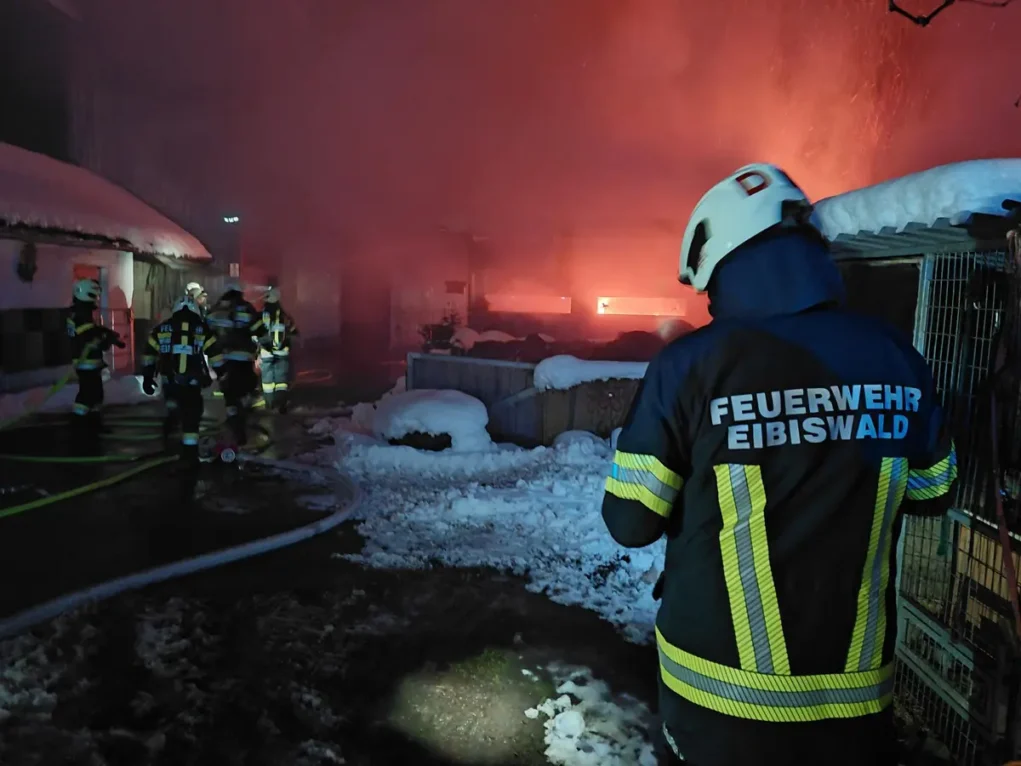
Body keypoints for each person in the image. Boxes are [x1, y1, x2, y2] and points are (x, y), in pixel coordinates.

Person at [600, 164, 958, 766]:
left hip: (718, 698)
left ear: (722, 263)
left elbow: (629, 521)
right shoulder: (898, 356)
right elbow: (934, 492)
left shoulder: (689, 365)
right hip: (855, 697)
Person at [141, 294, 225, 496]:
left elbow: (149, 352)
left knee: (173, 410)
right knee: (191, 418)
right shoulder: (201, 328)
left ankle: (169, 444)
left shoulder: (162, 328)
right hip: (192, 384)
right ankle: (189, 454)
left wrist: (147, 377)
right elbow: (215, 352)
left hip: (170, 383)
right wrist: (222, 373)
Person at [66, 278, 125, 448]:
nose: (96, 299)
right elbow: (89, 337)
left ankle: (93, 426)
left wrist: (109, 334)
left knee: (96, 395)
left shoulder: (81, 312)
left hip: (90, 362)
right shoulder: (80, 315)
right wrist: (106, 339)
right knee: (87, 395)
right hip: (86, 362)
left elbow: (93, 331)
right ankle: (79, 427)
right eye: (95, 295)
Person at [207, 281, 266, 445]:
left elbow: (206, 334)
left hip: (222, 361)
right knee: (245, 390)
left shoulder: (215, 311)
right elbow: (260, 330)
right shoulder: (246, 308)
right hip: (243, 360)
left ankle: (234, 417)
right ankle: (240, 419)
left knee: (230, 394)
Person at [258, 286, 299, 413]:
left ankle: (269, 404)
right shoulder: (285, 316)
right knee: (281, 381)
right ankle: (281, 405)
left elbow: (255, 334)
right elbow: (294, 332)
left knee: (267, 382)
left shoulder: (261, 316)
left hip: (266, 353)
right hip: (282, 353)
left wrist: (258, 348)